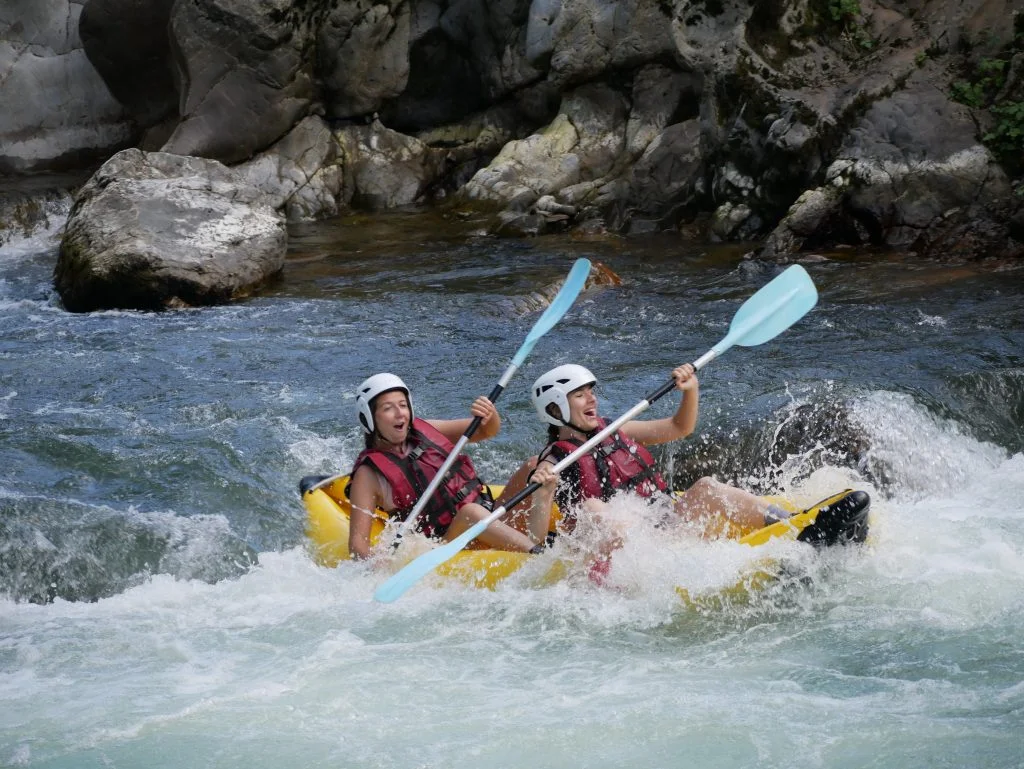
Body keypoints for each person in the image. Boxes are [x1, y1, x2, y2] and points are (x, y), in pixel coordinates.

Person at [508, 363, 790, 545]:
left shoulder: (617, 429)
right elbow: (535, 538)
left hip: (661, 525)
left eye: (590, 392)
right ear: (556, 409)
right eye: (579, 395)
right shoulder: (552, 462)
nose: (592, 398)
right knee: (595, 508)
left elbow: (680, 427)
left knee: (706, 487)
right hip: (616, 548)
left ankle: (790, 525)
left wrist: (690, 391)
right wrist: (543, 493)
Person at [347, 373, 549, 560]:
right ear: (369, 418)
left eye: (403, 405)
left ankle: (569, 526)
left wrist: (490, 415)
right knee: (471, 513)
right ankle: (541, 556)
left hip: (489, 514)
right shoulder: (369, 474)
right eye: (388, 408)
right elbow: (358, 546)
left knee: (533, 465)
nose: (400, 414)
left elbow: (486, 431)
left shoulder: (426, 430)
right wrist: (379, 566)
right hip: (445, 544)